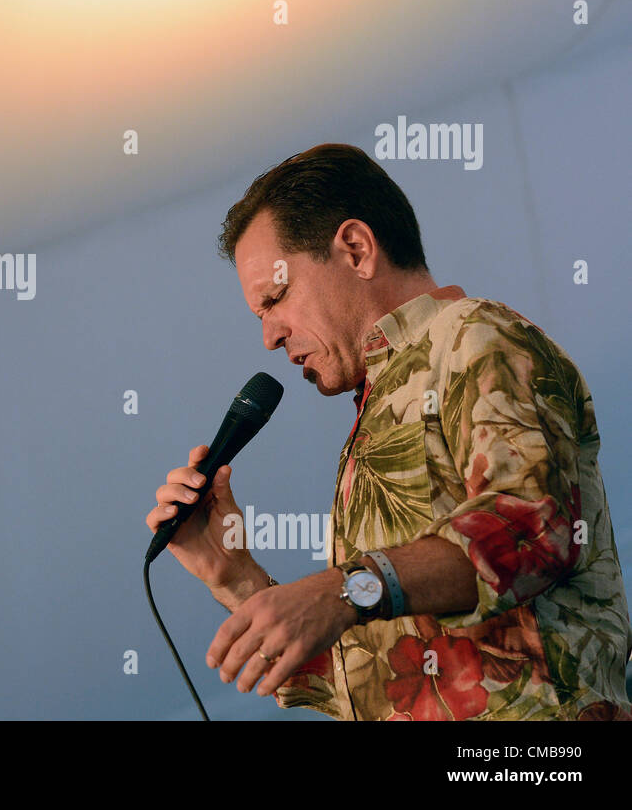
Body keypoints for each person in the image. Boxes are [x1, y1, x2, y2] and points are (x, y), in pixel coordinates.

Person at [146, 143, 632, 720]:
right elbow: (376, 687)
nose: (269, 338)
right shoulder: (377, 410)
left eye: (275, 299)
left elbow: (532, 531)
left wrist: (341, 590)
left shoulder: (473, 336)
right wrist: (234, 576)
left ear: (355, 249)